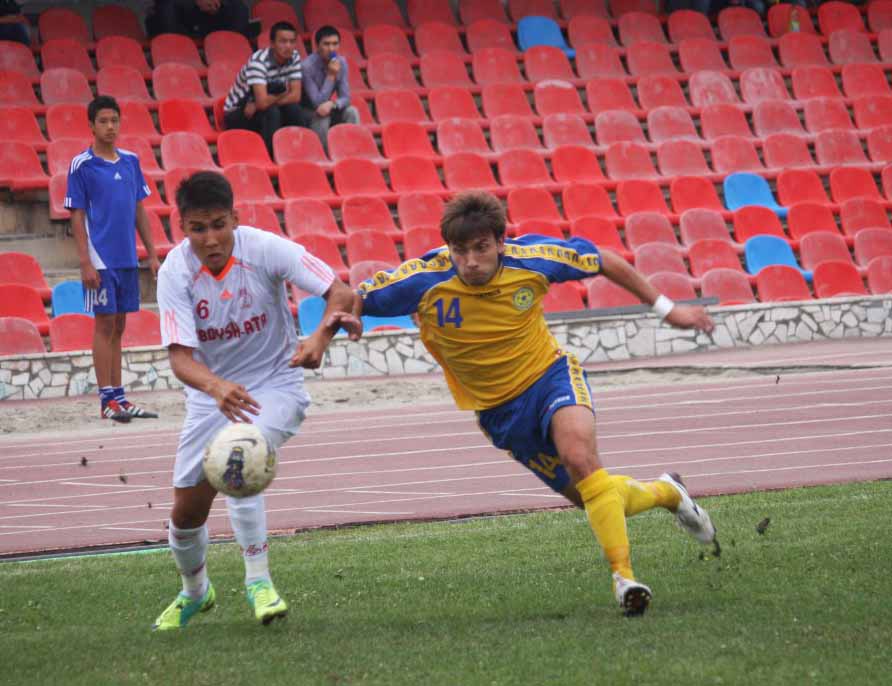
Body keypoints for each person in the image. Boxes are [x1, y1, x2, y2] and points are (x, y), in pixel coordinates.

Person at [357, 192, 718, 616]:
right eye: (460, 250)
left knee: (581, 460)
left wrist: (667, 309)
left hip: (550, 378)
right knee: (592, 496)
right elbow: (352, 298)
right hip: (500, 414)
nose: (470, 261)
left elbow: (602, 260)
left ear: (500, 243)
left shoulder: (533, 259)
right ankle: (667, 492)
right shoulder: (422, 281)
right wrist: (326, 332)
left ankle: (624, 578)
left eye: (481, 248)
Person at [152, 171, 361, 630]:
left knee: (240, 456)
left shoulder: (265, 248)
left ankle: (259, 583)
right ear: (181, 227)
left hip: (275, 384)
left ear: (235, 218)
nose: (210, 238)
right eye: (198, 228)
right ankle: (195, 592)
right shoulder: (174, 272)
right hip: (211, 397)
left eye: (218, 225)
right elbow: (181, 359)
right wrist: (215, 387)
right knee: (186, 514)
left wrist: (319, 338)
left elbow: (341, 293)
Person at [65, 95, 160, 424]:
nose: (110, 127)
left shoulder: (131, 161)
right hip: (100, 258)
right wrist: (85, 262)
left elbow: (139, 209)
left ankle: (119, 397)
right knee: (104, 324)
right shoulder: (81, 165)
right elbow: (77, 216)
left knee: (120, 325)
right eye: (103, 121)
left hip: (127, 258)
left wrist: (152, 253)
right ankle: (106, 399)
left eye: (114, 120)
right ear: (91, 126)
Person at [223, 21, 305, 155]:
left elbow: (295, 96)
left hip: (260, 104)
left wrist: (261, 103)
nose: (288, 46)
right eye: (283, 41)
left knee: (294, 109)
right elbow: (263, 103)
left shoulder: (294, 57)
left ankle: (298, 152)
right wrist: (284, 92)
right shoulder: (258, 62)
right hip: (238, 111)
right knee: (272, 112)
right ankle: (270, 156)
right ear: (272, 44)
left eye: (292, 42)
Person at [299, 25, 360, 150]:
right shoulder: (307, 67)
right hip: (306, 111)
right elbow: (317, 103)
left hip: (327, 107)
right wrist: (331, 75)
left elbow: (346, 97)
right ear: (317, 46)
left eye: (335, 44)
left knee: (352, 112)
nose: (331, 49)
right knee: (323, 116)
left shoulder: (341, 62)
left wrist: (333, 104)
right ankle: (324, 154)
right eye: (326, 44)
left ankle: (352, 150)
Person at [146, 0, 251, 39]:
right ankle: (173, 50)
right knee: (167, 7)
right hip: (179, 14)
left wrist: (217, 2)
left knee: (240, 8)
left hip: (209, 15)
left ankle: (230, 48)